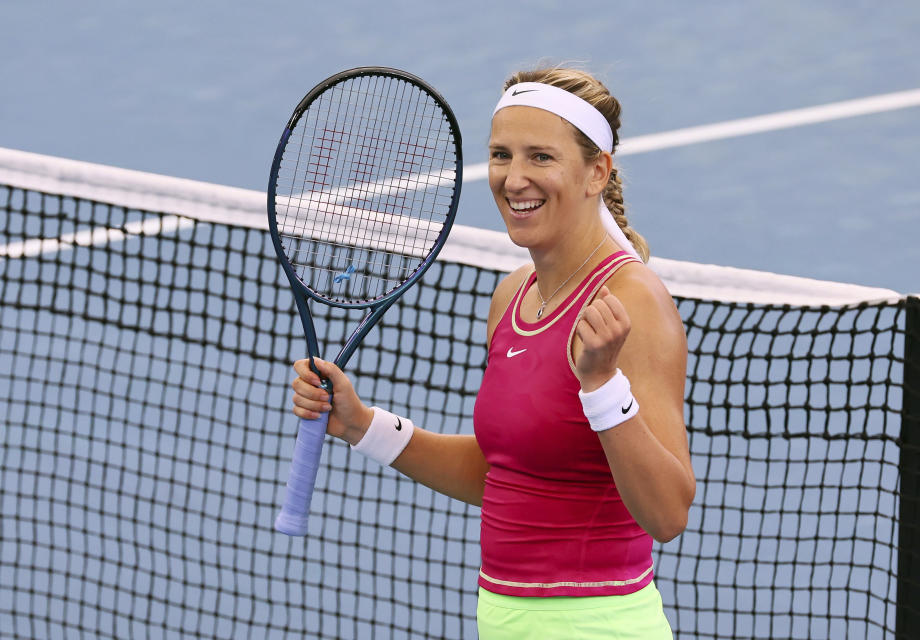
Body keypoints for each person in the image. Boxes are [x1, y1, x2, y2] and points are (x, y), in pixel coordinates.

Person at [291, 67, 695, 639]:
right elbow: (503, 473)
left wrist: (603, 386)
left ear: (595, 173)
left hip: (597, 624)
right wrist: (362, 425)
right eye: (501, 155)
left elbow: (668, 514)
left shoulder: (633, 303)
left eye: (540, 157)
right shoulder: (513, 295)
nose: (514, 178)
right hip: (503, 620)